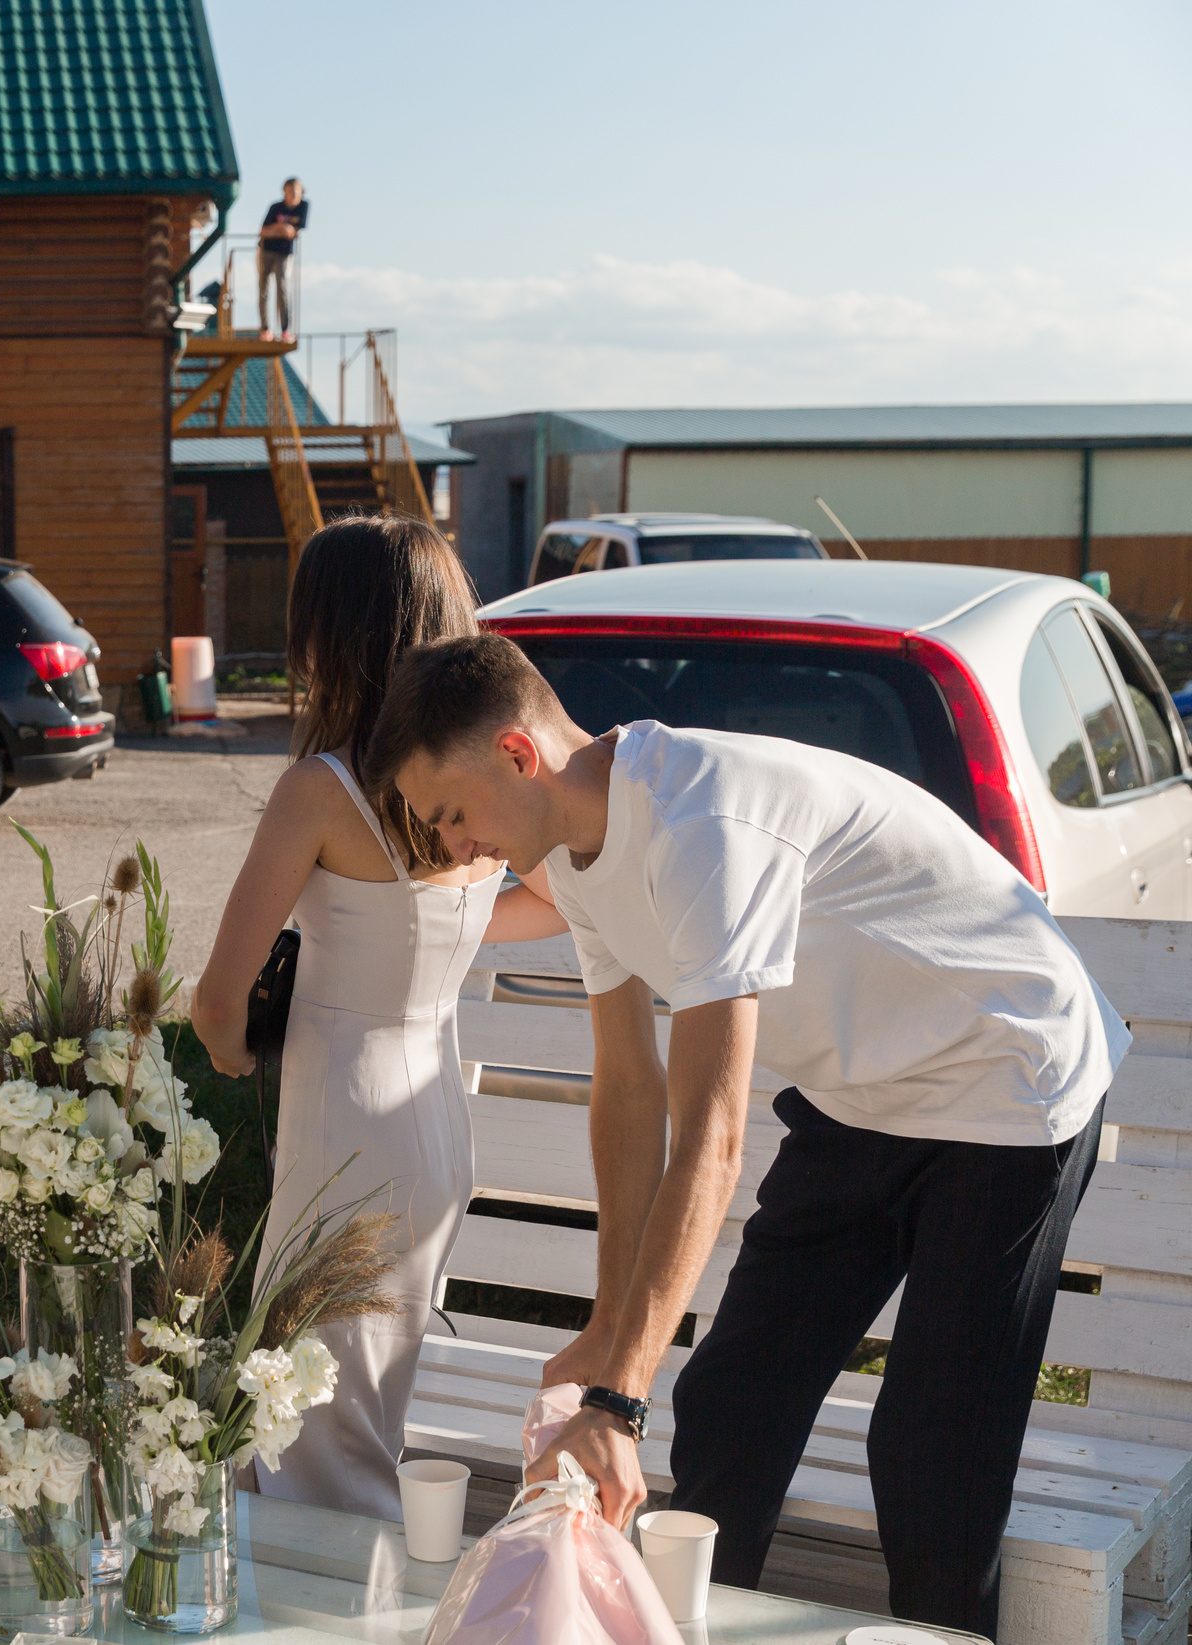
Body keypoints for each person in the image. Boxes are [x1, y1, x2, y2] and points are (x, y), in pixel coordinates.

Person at [366, 632, 1127, 1637]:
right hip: (864, 1095)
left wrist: (619, 1402)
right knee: (732, 1400)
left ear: (516, 753)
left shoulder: (702, 825)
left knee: (932, 1460)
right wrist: (610, 1329)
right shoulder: (575, 854)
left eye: (452, 814)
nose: (456, 847)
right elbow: (628, 1091)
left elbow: (711, 1135)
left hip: (1007, 1079)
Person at [188, 517, 565, 1521]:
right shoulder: (469, 790)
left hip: (343, 1127)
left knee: (313, 1420)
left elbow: (218, 1001)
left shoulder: (322, 790)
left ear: (334, 634)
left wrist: (233, 1053)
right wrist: (445, 928)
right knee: (363, 1402)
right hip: (437, 1121)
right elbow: (558, 904)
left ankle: (342, 1595)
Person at [256, 178, 307, 342]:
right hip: (265, 250)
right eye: (289, 191)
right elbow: (263, 231)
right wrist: (282, 228)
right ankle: (265, 329)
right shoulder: (275, 207)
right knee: (263, 289)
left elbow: (293, 232)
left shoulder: (303, 207)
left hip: (284, 254)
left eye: (295, 192)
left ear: (301, 192)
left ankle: (285, 329)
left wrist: (278, 229)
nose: (292, 195)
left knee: (282, 288)